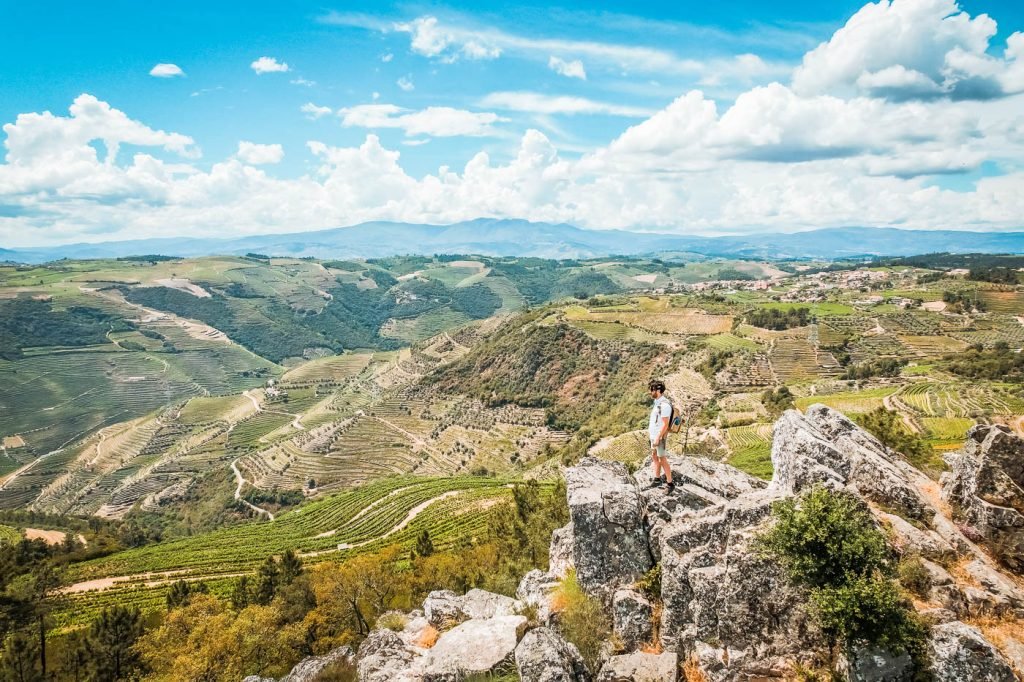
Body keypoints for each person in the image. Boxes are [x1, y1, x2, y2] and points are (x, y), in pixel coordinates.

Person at [647, 379, 674, 492]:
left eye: (651, 390)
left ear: (657, 390)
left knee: (662, 459)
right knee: (654, 456)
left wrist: (658, 437)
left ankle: (670, 484)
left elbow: (665, 424)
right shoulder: (657, 403)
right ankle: (657, 479)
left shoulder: (664, 405)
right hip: (653, 435)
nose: (650, 392)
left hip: (659, 436)